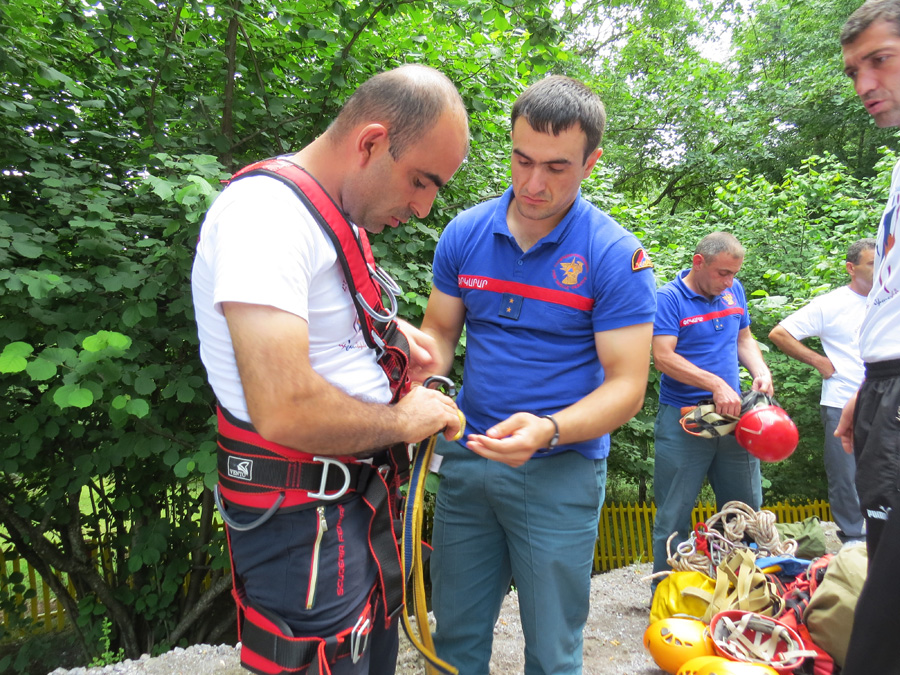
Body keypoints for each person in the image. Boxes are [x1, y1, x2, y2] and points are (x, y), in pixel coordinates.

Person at [191, 65, 469, 675]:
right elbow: (284, 406)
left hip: (345, 511)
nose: (424, 208)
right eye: (421, 181)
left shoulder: (329, 214)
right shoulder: (265, 217)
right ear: (370, 142)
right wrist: (400, 421)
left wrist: (390, 332)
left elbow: (316, 331)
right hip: (301, 527)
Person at [413, 75, 657, 675]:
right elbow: (440, 334)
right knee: (455, 635)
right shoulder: (466, 233)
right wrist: (424, 388)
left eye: (556, 167)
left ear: (590, 162)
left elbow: (627, 387)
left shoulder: (613, 255)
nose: (533, 184)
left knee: (552, 648)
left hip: (560, 471)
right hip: (467, 457)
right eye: (522, 160)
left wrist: (547, 430)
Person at [835, 3, 900, 672]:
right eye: (856, 70)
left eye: (880, 59)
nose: (864, 85)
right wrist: (866, 382)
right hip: (882, 386)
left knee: (879, 634)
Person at [650, 232, 773, 586]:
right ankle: (667, 592)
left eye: (734, 274)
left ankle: (748, 588)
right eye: (722, 273)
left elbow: (743, 339)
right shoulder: (669, 298)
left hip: (734, 417)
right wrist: (716, 383)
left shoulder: (734, 292)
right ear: (698, 262)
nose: (729, 281)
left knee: (744, 509)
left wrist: (760, 371)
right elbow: (663, 357)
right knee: (673, 513)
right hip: (685, 419)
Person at [768, 238, 875, 544]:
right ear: (850, 268)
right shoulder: (831, 304)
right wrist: (818, 360)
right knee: (846, 474)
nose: (880, 267)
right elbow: (780, 333)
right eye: (871, 262)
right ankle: (855, 537)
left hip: (886, 399)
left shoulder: (890, 299)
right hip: (842, 399)